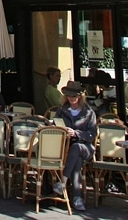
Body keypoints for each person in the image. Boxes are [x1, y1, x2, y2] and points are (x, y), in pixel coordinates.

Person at [53, 79, 96, 212]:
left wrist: (76, 133)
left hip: (86, 147)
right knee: (76, 160)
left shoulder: (89, 113)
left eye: (74, 96)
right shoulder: (62, 110)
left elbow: (92, 135)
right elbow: (56, 124)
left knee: (76, 148)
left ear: (80, 96)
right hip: (66, 148)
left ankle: (63, 182)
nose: (71, 98)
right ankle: (77, 199)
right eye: (69, 96)